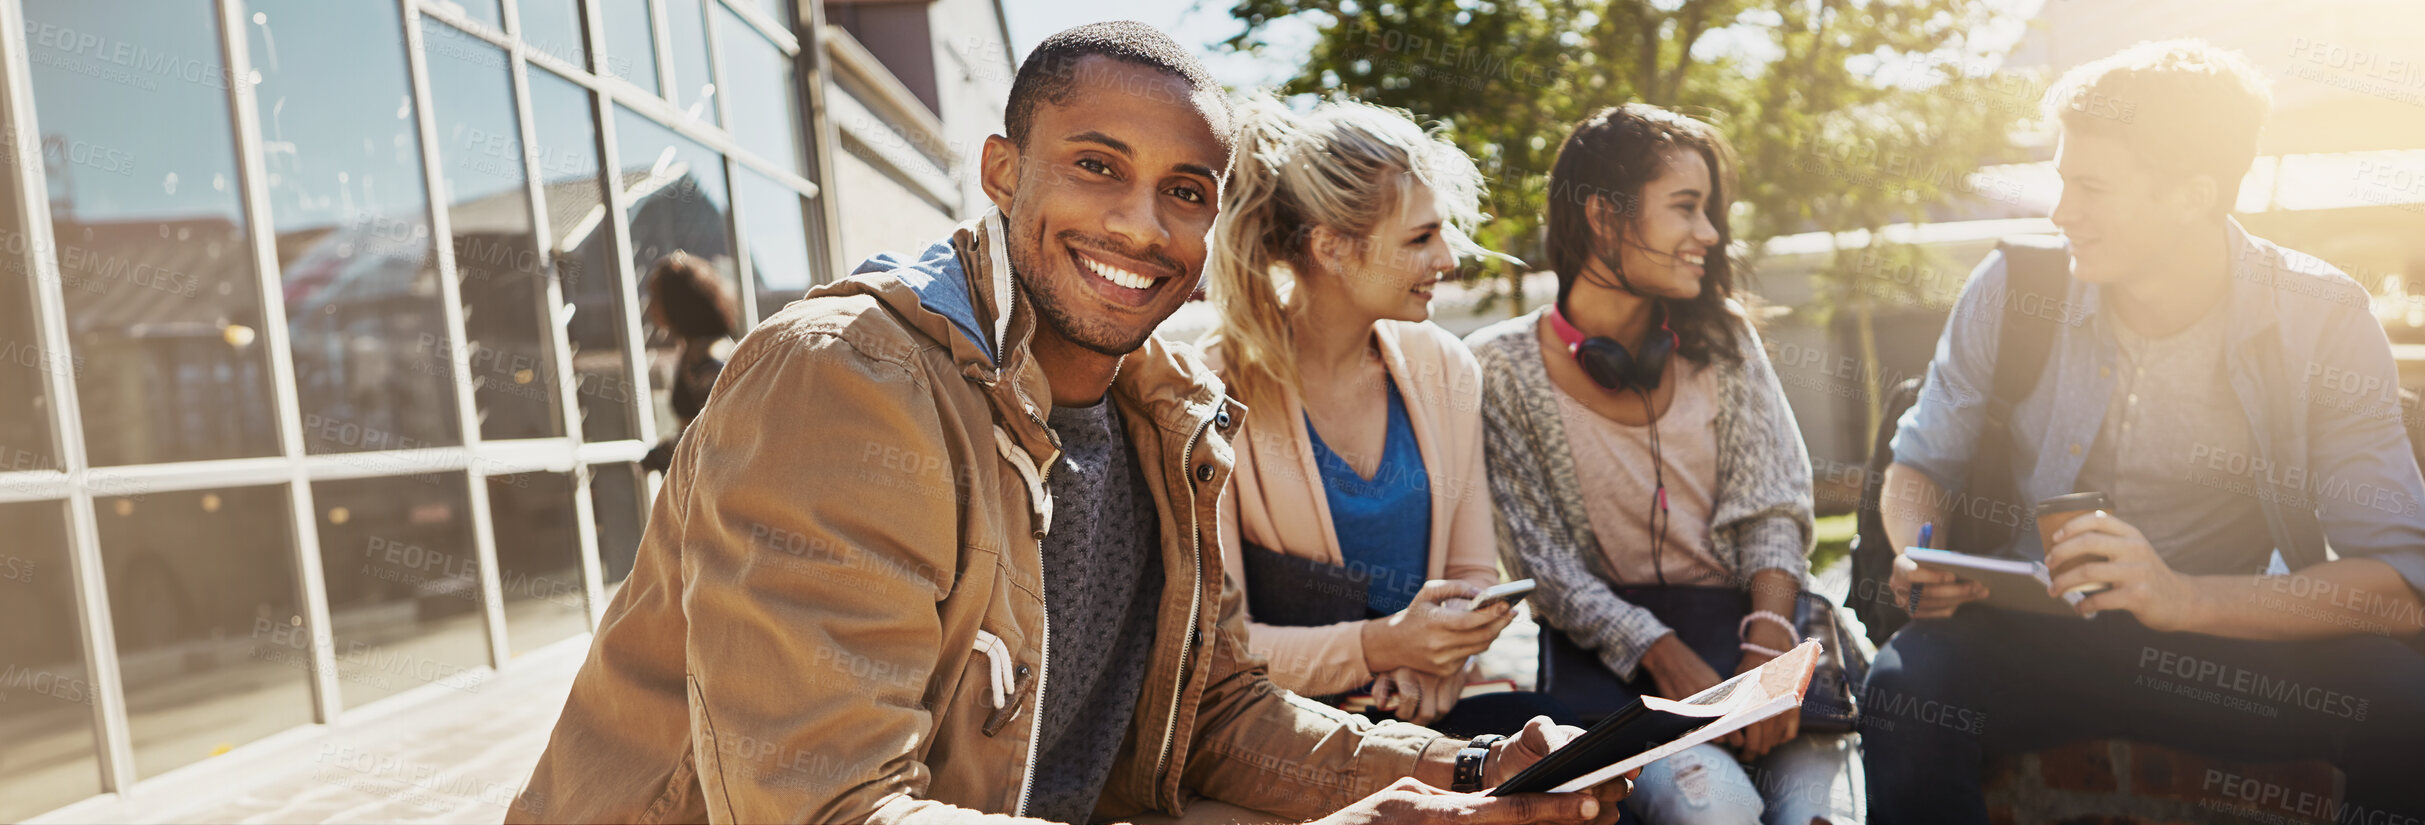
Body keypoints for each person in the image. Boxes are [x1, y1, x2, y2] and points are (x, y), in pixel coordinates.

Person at [507, 22, 1631, 825]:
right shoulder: (842, 385)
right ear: (1003, 172)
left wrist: (1468, 771)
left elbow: (1211, 714)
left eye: (1186, 191)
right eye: (1097, 168)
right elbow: (826, 806)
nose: (1141, 225)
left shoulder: (1161, 415)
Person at [1868, 40, 2425, 824]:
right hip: (2036, 634)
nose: (2061, 212)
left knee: (2406, 705)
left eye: (2090, 186)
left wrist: (2181, 596)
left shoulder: (2321, 317)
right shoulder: (2011, 287)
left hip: (2227, 642)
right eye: (2061, 181)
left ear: (2193, 195)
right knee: (1903, 692)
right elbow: (1918, 463)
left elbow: (2400, 594)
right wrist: (1915, 550)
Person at [1466, 104, 1860, 825]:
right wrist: (1660, 651)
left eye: (1710, 211)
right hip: (1622, 690)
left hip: (1763, 656)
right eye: (1686, 207)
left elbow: (1773, 506)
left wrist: (1767, 642)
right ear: (1604, 215)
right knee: (1723, 813)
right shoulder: (1499, 367)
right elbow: (1541, 563)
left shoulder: (1725, 337)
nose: (1708, 233)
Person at [1202, 97, 1569, 736]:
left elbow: (1473, 573)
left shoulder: (1448, 369)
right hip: (1278, 741)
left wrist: (1440, 665)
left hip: (1427, 722)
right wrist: (1385, 645)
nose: (1450, 258)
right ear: (1333, 248)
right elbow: (1216, 649)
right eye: (1421, 238)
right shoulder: (1212, 393)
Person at [639, 251, 736, 473]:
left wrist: (666, 454)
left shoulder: (706, 356)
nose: (651, 307)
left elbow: (719, 431)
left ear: (677, 302)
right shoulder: (706, 347)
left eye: (655, 298)